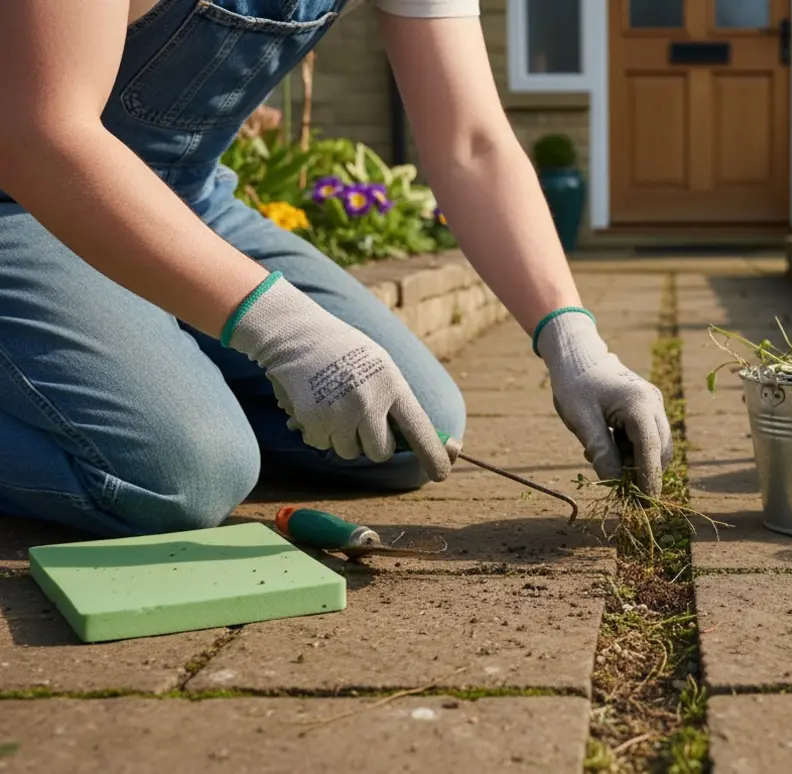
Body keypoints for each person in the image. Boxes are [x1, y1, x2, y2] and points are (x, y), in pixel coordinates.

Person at [0, 0, 673, 538]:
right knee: (186, 476)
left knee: (410, 431)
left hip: (185, 197)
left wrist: (573, 342)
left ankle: (126, 391)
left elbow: (471, 144)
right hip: (26, 194)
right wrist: (285, 331)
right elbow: (41, 133)